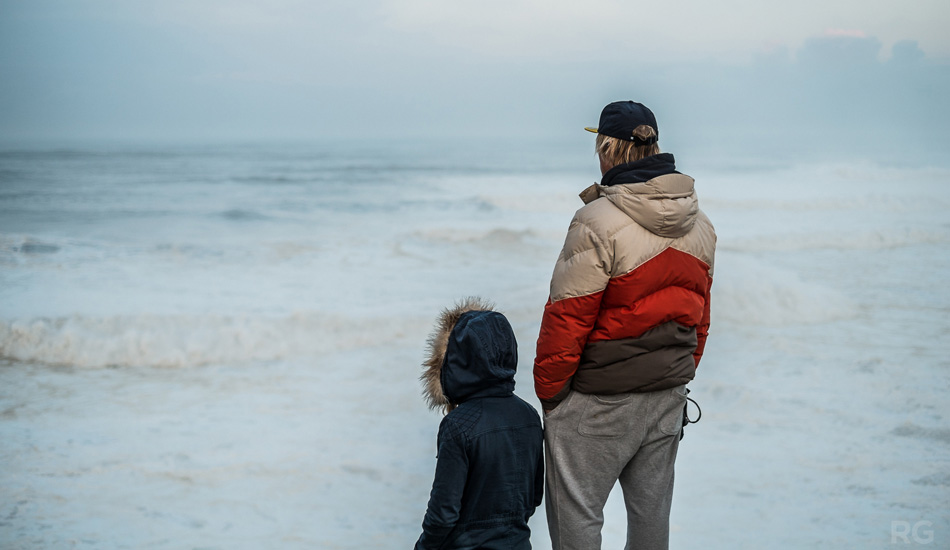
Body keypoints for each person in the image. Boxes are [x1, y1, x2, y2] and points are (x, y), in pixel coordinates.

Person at [533, 101, 716, 550]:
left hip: (599, 400)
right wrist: (678, 374)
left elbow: (568, 316)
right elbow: (700, 317)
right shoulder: (701, 223)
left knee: (578, 517)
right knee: (651, 523)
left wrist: (551, 395)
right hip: (667, 396)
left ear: (608, 148)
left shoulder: (596, 221)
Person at [416, 297, 545, 550]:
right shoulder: (529, 416)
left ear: (458, 359)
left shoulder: (457, 425)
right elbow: (533, 498)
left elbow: (443, 513)